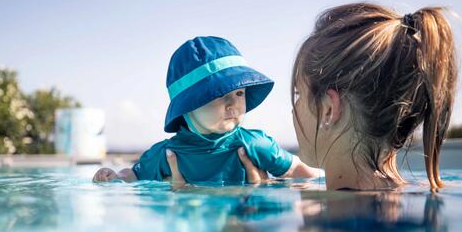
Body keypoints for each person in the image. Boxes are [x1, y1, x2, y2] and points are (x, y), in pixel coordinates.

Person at [214, 3, 458, 191]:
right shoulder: (425, 190)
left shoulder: (333, 230)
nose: (292, 109)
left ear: (329, 109)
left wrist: (243, 211)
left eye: (299, 93)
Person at [93, 36, 321, 184]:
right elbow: (133, 175)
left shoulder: (254, 145)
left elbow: (300, 172)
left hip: (243, 228)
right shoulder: (168, 153)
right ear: (188, 106)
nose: (233, 104)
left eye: (239, 93)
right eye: (219, 95)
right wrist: (113, 177)